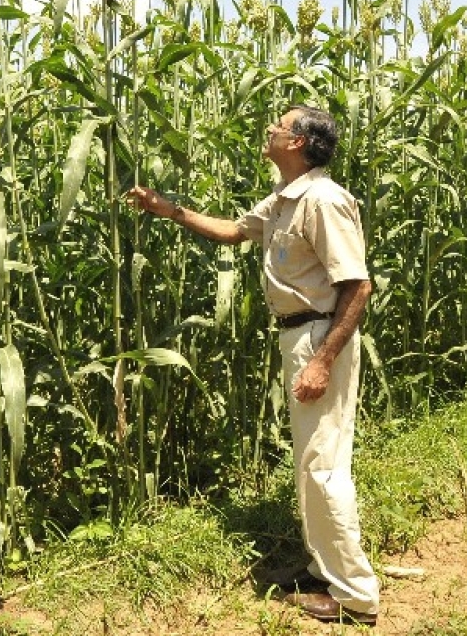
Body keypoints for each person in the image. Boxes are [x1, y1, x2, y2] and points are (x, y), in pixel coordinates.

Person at [125, 104, 379, 625]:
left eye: (279, 126)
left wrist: (323, 360)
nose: (269, 129)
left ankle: (355, 594)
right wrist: (165, 208)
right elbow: (231, 232)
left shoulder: (323, 201)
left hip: (319, 336)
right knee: (310, 462)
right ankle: (323, 567)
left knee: (323, 466)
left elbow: (359, 285)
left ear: (299, 143)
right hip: (302, 336)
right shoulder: (286, 200)